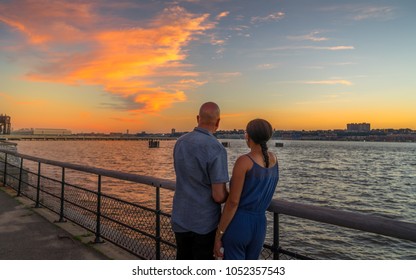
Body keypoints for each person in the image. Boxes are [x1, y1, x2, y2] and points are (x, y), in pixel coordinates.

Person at [213, 118, 279, 260]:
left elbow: (233, 202)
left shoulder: (244, 161)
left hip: (240, 223)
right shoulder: (274, 159)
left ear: (247, 135)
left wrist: (219, 234)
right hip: (260, 223)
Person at [171, 102, 229, 260]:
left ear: (197, 118)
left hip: (180, 217)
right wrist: (232, 196)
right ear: (218, 122)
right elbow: (218, 196)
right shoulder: (216, 149)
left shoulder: (180, 142)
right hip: (204, 223)